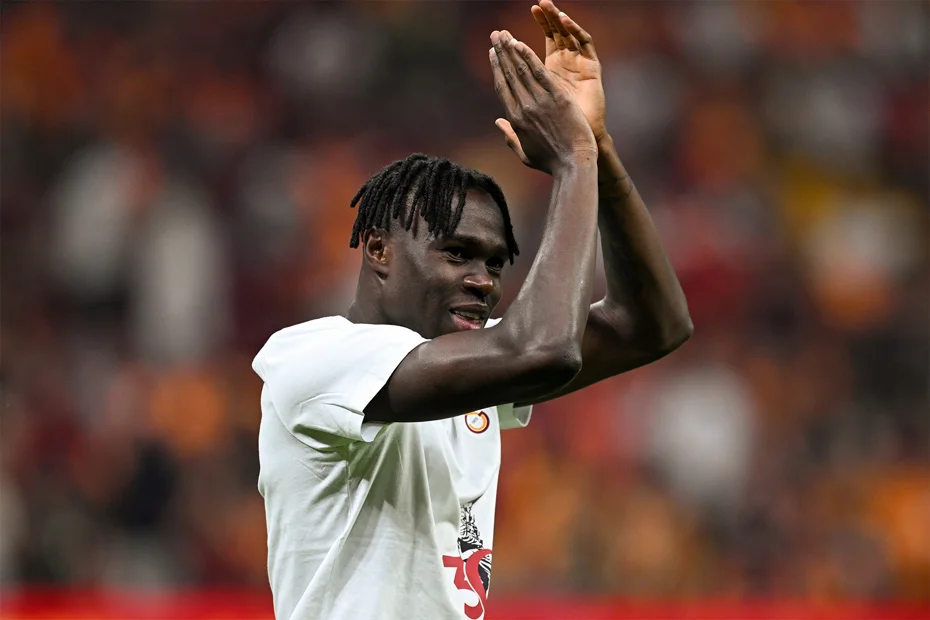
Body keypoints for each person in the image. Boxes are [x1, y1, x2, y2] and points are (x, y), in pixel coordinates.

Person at [251, 2, 692, 618]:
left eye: (495, 264)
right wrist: (573, 161)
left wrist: (599, 150)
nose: (483, 281)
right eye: (457, 254)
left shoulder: (470, 365)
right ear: (378, 249)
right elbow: (543, 350)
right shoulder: (315, 359)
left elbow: (653, 326)